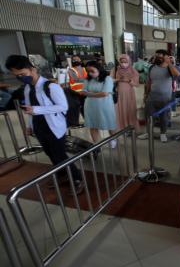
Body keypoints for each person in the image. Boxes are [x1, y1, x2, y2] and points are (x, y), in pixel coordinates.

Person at [5, 55, 84, 193]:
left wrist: (37, 109)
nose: (21, 78)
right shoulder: (28, 88)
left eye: (22, 74)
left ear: (32, 69)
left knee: (60, 155)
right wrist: (30, 126)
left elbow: (63, 106)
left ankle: (77, 178)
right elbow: (29, 109)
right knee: (50, 153)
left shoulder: (51, 86)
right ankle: (62, 175)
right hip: (39, 126)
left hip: (54, 127)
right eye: (17, 76)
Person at [141, 50, 180, 142]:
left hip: (165, 98)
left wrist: (169, 63)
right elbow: (149, 82)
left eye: (160, 56)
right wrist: (146, 94)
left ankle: (163, 133)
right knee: (149, 115)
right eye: (156, 56)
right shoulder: (152, 68)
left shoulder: (169, 68)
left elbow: (177, 74)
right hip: (152, 96)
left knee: (164, 117)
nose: (157, 57)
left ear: (166, 57)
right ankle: (149, 132)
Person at [82, 61, 118, 144]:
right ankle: (97, 144)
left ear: (99, 69)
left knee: (110, 123)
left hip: (104, 105)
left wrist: (89, 94)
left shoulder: (107, 79)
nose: (90, 73)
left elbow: (104, 93)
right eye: (88, 71)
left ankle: (113, 140)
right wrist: (94, 94)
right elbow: (83, 91)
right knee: (93, 125)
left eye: (92, 71)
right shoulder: (88, 79)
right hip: (90, 106)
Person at [111, 54, 139, 131]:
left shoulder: (132, 70)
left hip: (129, 92)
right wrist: (118, 79)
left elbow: (136, 84)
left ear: (129, 61)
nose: (123, 63)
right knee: (120, 108)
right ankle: (122, 127)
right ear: (119, 62)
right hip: (119, 92)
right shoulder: (115, 69)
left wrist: (129, 80)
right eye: (122, 62)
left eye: (125, 62)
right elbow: (110, 80)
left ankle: (130, 126)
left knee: (130, 108)